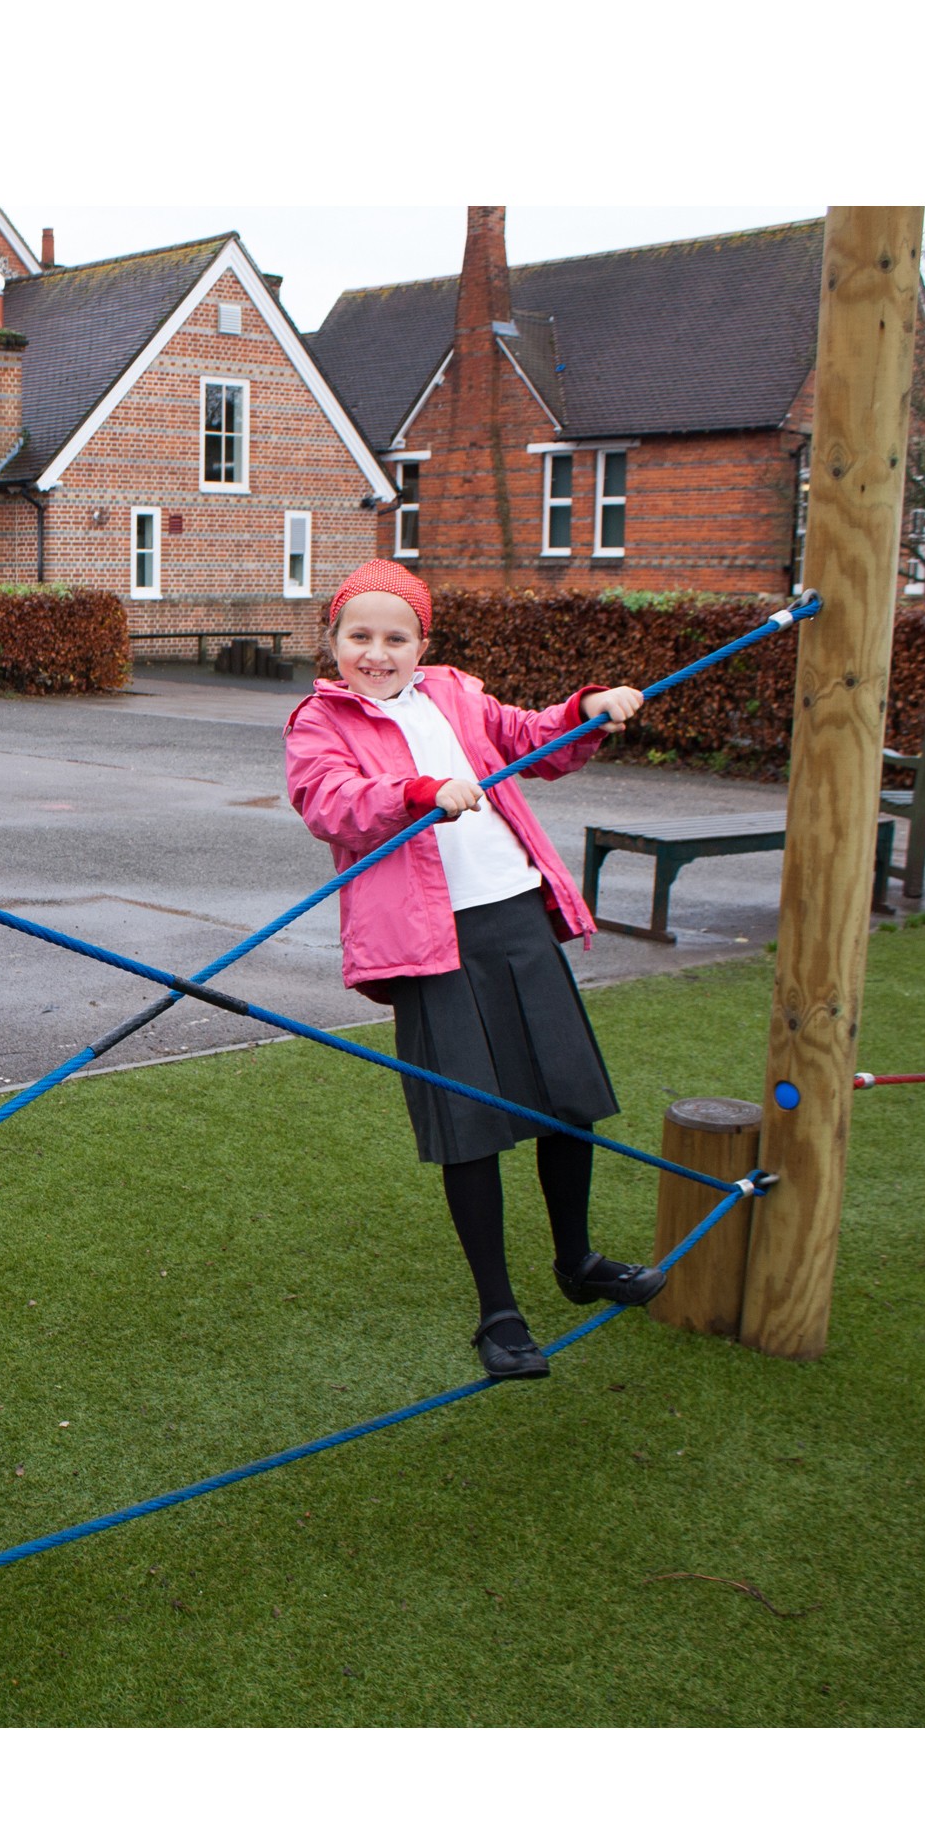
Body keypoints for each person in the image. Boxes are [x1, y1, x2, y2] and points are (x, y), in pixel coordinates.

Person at [284, 560, 664, 1382]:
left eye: (395, 637)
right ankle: (498, 1314)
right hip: (428, 941)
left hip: (515, 916)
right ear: (333, 640)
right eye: (359, 636)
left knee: (568, 1100)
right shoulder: (320, 719)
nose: (375, 653)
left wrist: (585, 709)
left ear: (422, 643)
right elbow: (330, 801)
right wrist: (417, 791)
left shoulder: (454, 695)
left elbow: (533, 740)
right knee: (470, 1124)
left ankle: (577, 1261)